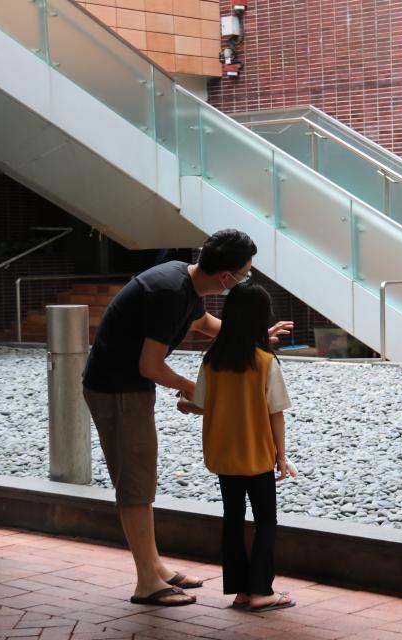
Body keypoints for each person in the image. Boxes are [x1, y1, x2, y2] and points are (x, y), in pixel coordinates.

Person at [81, 229, 292, 607]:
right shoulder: (169, 293)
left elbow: (207, 325)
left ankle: (156, 567)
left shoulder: (183, 279)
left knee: (142, 478)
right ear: (226, 277)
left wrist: (251, 334)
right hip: (116, 390)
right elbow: (150, 365)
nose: (244, 280)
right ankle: (147, 581)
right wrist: (197, 390)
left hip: (127, 387)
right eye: (243, 274)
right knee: (135, 482)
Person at [179, 282, 298, 612]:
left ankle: (241, 590)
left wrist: (185, 405)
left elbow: (201, 404)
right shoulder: (263, 362)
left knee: (232, 519)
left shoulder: (212, 361)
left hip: (223, 457)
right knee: (265, 521)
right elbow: (276, 413)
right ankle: (262, 590)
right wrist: (282, 457)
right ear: (261, 321)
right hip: (256, 457)